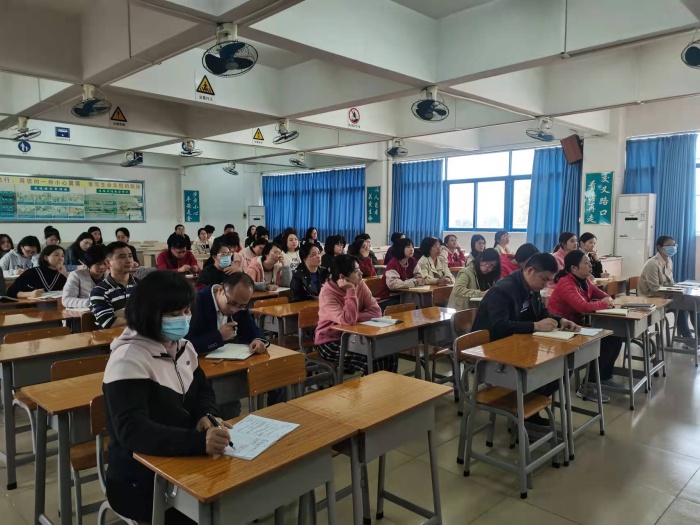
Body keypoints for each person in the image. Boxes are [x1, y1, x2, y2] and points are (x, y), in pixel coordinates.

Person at [102, 271, 231, 523]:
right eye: (174, 313)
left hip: (181, 460)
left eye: (187, 311)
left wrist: (207, 414)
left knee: (235, 500)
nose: (184, 318)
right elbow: (132, 431)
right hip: (138, 478)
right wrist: (198, 442)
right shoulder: (128, 358)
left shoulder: (184, 347)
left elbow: (203, 390)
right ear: (148, 314)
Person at [472, 253, 579, 425]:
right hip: (491, 352)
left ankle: (526, 411)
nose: (545, 285)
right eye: (544, 280)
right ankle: (523, 413)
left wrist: (560, 320)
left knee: (562, 366)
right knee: (546, 368)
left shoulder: (531, 288)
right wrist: (535, 326)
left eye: (548, 281)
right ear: (530, 271)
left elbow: (541, 313)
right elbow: (498, 327)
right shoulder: (503, 290)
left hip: (516, 344)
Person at [547, 250, 623, 402]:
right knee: (604, 342)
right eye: (586, 263)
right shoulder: (566, 283)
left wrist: (607, 300)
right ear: (574, 268)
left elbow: (602, 295)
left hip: (578, 325)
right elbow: (582, 307)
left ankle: (603, 377)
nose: (590, 266)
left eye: (589, 262)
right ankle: (587, 387)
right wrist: (604, 303)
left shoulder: (585, 280)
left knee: (615, 337)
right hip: (562, 328)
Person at [315, 254, 398, 374]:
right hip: (330, 341)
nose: (361, 273)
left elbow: (376, 311)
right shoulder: (327, 294)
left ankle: (385, 387)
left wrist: (355, 316)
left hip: (355, 336)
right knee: (373, 361)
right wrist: (351, 290)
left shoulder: (360, 284)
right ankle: (370, 387)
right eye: (356, 271)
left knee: (390, 355)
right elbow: (348, 320)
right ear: (342, 277)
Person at [187, 272, 270, 355]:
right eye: (231, 303)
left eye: (242, 306)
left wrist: (257, 340)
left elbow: (251, 328)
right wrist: (219, 336)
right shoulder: (195, 304)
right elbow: (186, 344)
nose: (234, 310)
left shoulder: (239, 304)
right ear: (221, 290)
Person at [638, 235, 697, 338]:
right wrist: (674, 293)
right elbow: (655, 289)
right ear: (659, 247)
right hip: (651, 297)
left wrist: (680, 288)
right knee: (686, 305)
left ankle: (694, 337)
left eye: (674, 245)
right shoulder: (652, 264)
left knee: (693, 302)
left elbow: (671, 283)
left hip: (666, 295)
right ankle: (688, 337)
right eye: (669, 245)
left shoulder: (669, 261)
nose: (673, 247)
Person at [90, 241, 137, 329]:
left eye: (130, 256)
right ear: (108, 263)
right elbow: (109, 322)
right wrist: (142, 317)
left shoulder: (142, 285)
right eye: (122, 257)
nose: (129, 260)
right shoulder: (99, 291)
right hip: (114, 337)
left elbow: (156, 313)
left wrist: (120, 313)